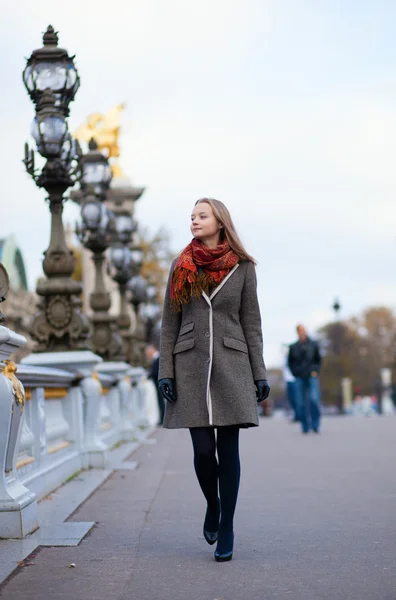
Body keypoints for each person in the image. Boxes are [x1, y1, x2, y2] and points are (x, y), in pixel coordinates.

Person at [158, 198, 270, 563]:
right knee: (203, 451)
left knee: (230, 451)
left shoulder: (243, 267)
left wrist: (259, 373)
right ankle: (213, 504)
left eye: (202, 216)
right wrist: (166, 372)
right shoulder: (181, 266)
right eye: (192, 216)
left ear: (220, 222)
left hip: (232, 365)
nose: (194, 221)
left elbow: (251, 323)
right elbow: (169, 323)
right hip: (189, 366)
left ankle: (227, 528)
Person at [288, 324, 321, 434]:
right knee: (300, 402)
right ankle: (305, 426)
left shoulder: (313, 345)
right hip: (299, 377)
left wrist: (315, 371)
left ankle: (315, 424)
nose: (302, 332)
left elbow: (318, 360)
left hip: (312, 375)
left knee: (314, 399)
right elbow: (290, 363)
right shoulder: (293, 347)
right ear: (297, 332)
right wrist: (295, 373)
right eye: (300, 331)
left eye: (304, 330)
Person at [145, 344, 165, 425]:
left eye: (147, 353)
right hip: (157, 384)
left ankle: (162, 419)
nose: (147, 355)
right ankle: (161, 418)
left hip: (159, 384)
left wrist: (149, 376)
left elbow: (156, 372)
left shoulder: (158, 359)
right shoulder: (156, 359)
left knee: (161, 402)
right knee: (160, 402)